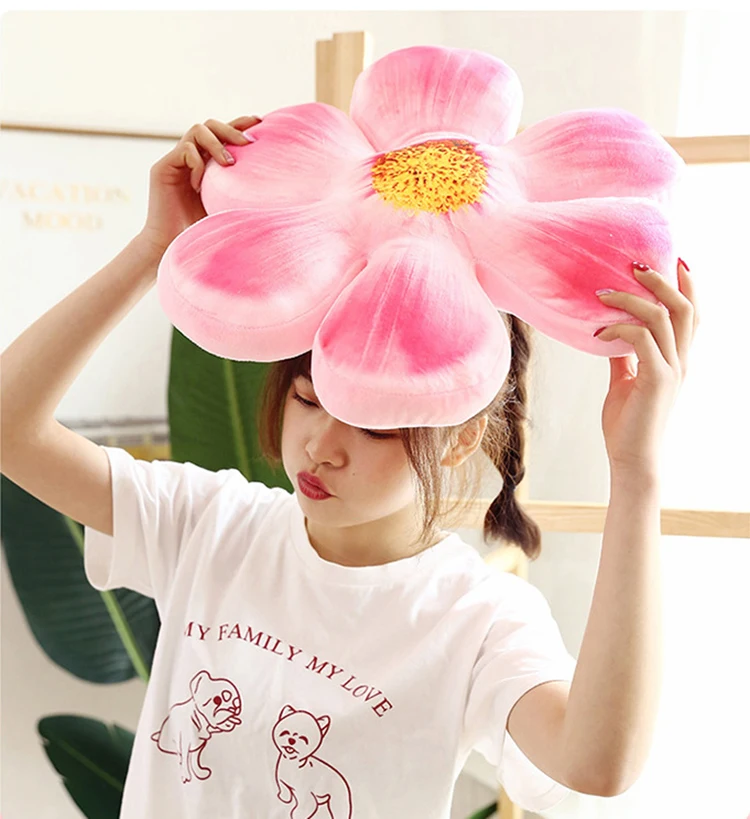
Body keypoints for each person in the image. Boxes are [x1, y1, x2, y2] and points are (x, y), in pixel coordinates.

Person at [0, 115, 700, 819]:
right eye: (308, 399)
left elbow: (596, 762)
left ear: (460, 439)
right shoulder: (207, 525)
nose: (321, 446)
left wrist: (635, 471)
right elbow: (10, 428)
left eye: (374, 427)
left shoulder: (477, 618)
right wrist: (153, 247)